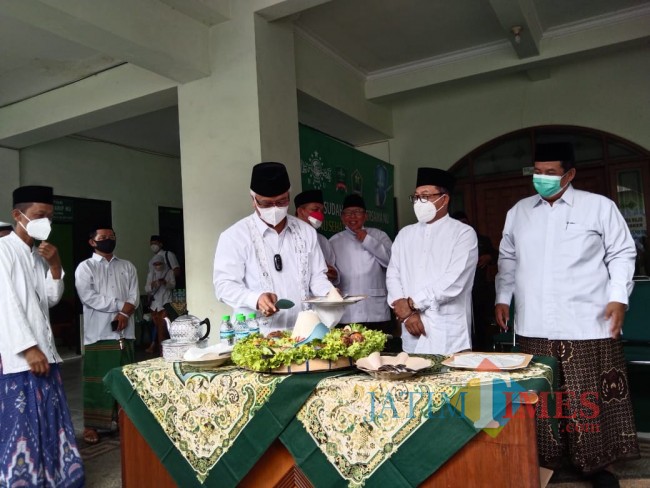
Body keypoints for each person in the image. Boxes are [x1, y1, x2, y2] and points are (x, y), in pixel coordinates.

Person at [495, 142, 639, 486]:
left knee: (588, 398)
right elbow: (507, 258)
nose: (541, 179)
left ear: (569, 174)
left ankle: (598, 466)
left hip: (586, 322)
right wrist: (502, 297)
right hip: (535, 325)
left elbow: (621, 253)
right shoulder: (519, 211)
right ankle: (550, 462)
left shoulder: (598, 207)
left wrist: (619, 297)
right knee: (545, 399)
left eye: (550, 173)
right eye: (537, 172)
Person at [0, 185, 85, 487]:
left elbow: (50, 300)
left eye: (49, 216)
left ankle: (54, 476)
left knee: (49, 419)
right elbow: (5, 305)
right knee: (22, 425)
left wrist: (55, 265)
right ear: (17, 215)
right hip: (22, 358)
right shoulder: (2, 251)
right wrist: (28, 347)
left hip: (45, 353)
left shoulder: (36, 256)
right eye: (39, 215)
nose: (45, 222)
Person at [213, 162, 334, 336]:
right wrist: (255, 298)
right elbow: (224, 286)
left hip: (304, 332)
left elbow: (317, 277)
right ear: (253, 200)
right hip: (256, 335)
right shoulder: (235, 236)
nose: (275, 208)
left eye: (281, 201)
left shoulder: (306, 231)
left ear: (289, 195)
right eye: (266, 204)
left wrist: (330, 294)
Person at [386, 168, 478, 354]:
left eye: (426, 196)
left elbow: (454, 281)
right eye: (416, 196)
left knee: (451, 381)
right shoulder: (405, 234)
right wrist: (406, 314)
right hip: (412, 329)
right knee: (413, 380)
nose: (420, 201)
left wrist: (412, 304)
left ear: (444, 199)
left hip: (447, 329)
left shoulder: (463, 233)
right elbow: (393, 274)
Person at [75, 225, 139, 445]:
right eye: (103, 237)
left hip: (124, 331)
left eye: (112, 236)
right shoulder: (86, 267)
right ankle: (91, 426)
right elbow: (88, 297)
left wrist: (124, 313)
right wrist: (121, 306)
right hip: (98, 333)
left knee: (125, 379)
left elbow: (135, 296)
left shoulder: (127, 266)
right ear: (92, 242)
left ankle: (123, 422)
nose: (108, 240)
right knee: (97, 380)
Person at [329, 194, 393, 331]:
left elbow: (391, 263)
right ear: (342, 217)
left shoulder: (379, 235)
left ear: (365, 216)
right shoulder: (334, 241)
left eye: (357, 212)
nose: (353, 216)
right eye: (348, 213)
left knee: (380, 350)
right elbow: (331, 272)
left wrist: (368, 240)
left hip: (375, 310)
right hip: (347, 311)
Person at [451, 210, 498, 351]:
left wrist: (488, 257)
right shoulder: (449, 242)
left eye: (465, 223)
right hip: (457, 291)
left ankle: (484, 350)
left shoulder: (481, 239)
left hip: (479, 288)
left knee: (481, 322)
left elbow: (497, 255)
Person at [294, 189, 339, 284]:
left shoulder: (323, 240)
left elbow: (333, 272)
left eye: (322, 211)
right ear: (300, 211)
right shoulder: (288, 236)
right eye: (315, 210)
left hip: (321, 294)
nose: (320, 214)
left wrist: (332, 272)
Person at [144, 254, 175, 354]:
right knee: (158, 327)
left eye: (159, 264)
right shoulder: (151, 274)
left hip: (165, 303)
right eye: (155, 264)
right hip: (154, 305)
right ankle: (161, 349)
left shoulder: (169, 272)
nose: (157, 266)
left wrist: (165, 283)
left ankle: (163, 350)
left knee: (163, 327)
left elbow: (173, 285)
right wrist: (152, 284)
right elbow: (146, 288)